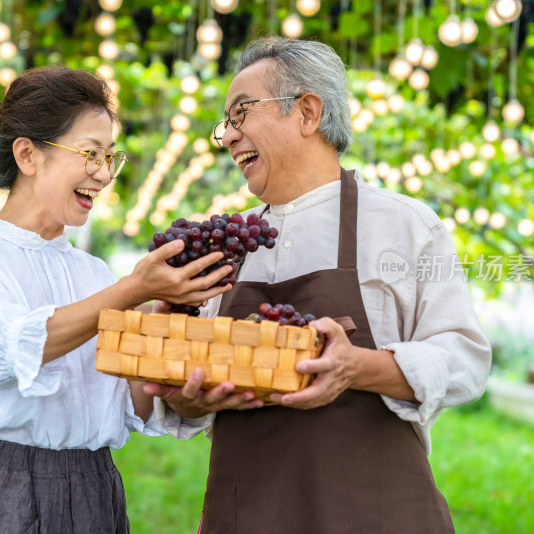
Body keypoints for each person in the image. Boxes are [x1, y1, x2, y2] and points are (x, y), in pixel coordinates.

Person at [144, 37, 492, 533]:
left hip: (376, 512)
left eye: (240, 113)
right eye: (226, 124)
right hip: (249, 511)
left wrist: (359, 367)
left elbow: (464, 359)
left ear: (307, 112)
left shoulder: (404, 224)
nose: (227, 137)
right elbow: (183, 376)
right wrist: (186, 399)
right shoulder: (224, 242)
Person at [0, 66, 233, 533]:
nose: (104, 174)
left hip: (96, 486)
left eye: (111, 156)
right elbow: (25, 344)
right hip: (4, 488)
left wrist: (162, 321)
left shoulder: (95, 274)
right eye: (90, 154)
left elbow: (132, 403)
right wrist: (134, 290)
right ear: (28, 154)